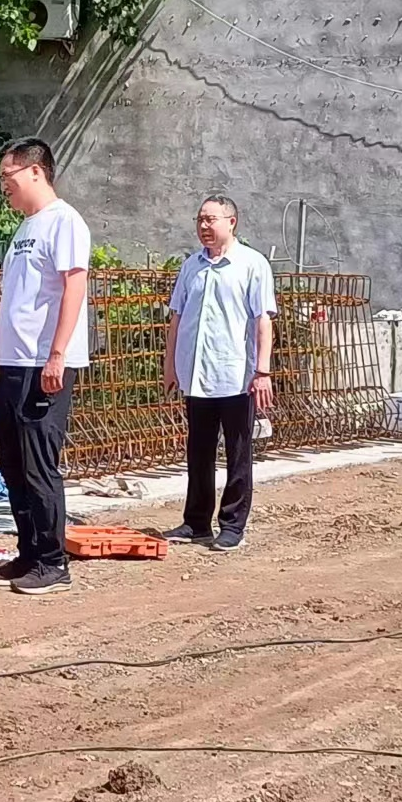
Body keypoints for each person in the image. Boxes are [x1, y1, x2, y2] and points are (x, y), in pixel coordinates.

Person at [0, 137, 91, 596]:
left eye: (7, 176)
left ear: (35, 171)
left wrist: (57, 354)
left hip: (44, 364)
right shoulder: (26, 228)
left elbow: (73, 287)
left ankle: (52, 561)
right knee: (12, 464)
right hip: (13, 362)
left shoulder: (64, 222)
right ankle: (28, 552)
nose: (3, 185)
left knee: (38, 464)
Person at [162, 195, 277, 552]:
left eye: (210, 219)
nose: (204, 226)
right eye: (200, 220)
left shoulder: (252, 264)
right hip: (196, 375)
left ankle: (232, 524)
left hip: (236, 376)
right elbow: (177, 317)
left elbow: (263, 320)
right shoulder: (191, 266)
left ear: (231, 222)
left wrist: (262, 371)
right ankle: (196, 522)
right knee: (199, 452)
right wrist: (170, 365)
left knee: (238, 453)